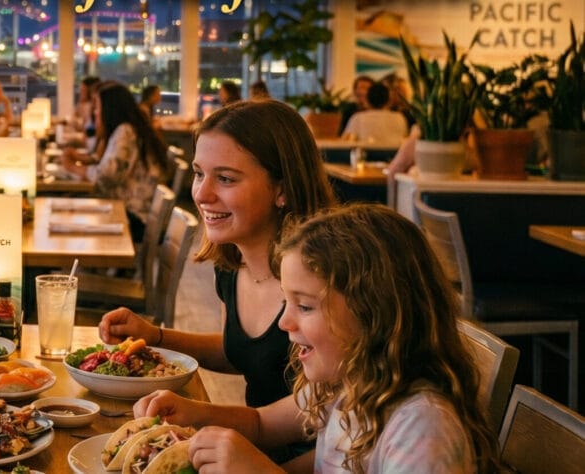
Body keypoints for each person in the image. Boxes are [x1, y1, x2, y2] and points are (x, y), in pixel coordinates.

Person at [134, 204, 502, 473]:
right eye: (287, 303)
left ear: (374, 314)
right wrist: (196, 413)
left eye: (305, 307)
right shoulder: (351, 384)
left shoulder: (421, 428)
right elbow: (262, 425)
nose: (285, 322)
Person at [100, 100, 337, 461]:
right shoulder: (231, 262)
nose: (202, 194)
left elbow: (341, 427)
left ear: (282, 189)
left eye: (225, 178)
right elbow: (237, 350)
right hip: (253, 448)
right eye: (199, 174)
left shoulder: (325, 278)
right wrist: (155, 337)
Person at [61, 82, 170, 242]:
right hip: (135, 212)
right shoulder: (130, 129)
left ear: (109, 110)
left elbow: (106, 176)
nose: (96, 113)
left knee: (67, 217)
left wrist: (72, 167)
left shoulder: (125, 132)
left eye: (98, 108)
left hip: (134, 217)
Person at [339, 83, 408, 145]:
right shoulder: (400, 118)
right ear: (388, 101)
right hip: (394, 158)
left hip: (365, 158)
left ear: (367, 100)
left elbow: (344, 144)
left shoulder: (357, 118)